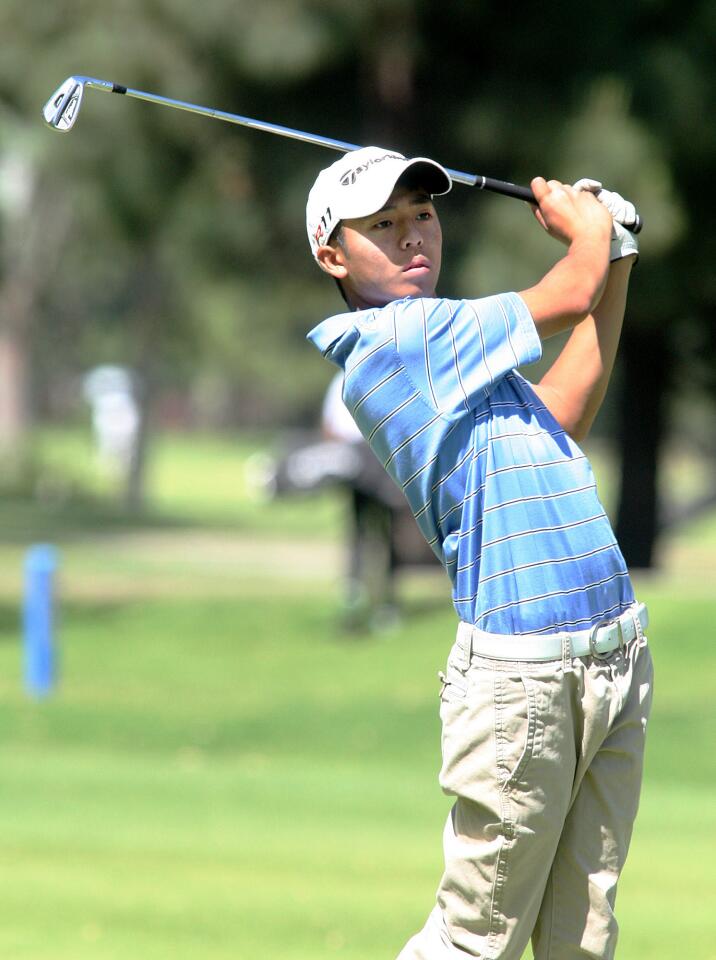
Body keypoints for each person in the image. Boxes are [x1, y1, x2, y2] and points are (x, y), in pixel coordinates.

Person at [305, 147, 653, 960]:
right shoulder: (397, 340)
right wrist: (590, 234)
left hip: (611, 655)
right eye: (381, 226)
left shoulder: (459, 355)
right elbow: (571, 290)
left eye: (420, 215)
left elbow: (560, 413)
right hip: (522, 679)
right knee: (475, 938)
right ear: (332, 254)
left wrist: (618, 258)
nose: (411, 236)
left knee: (582, 937)